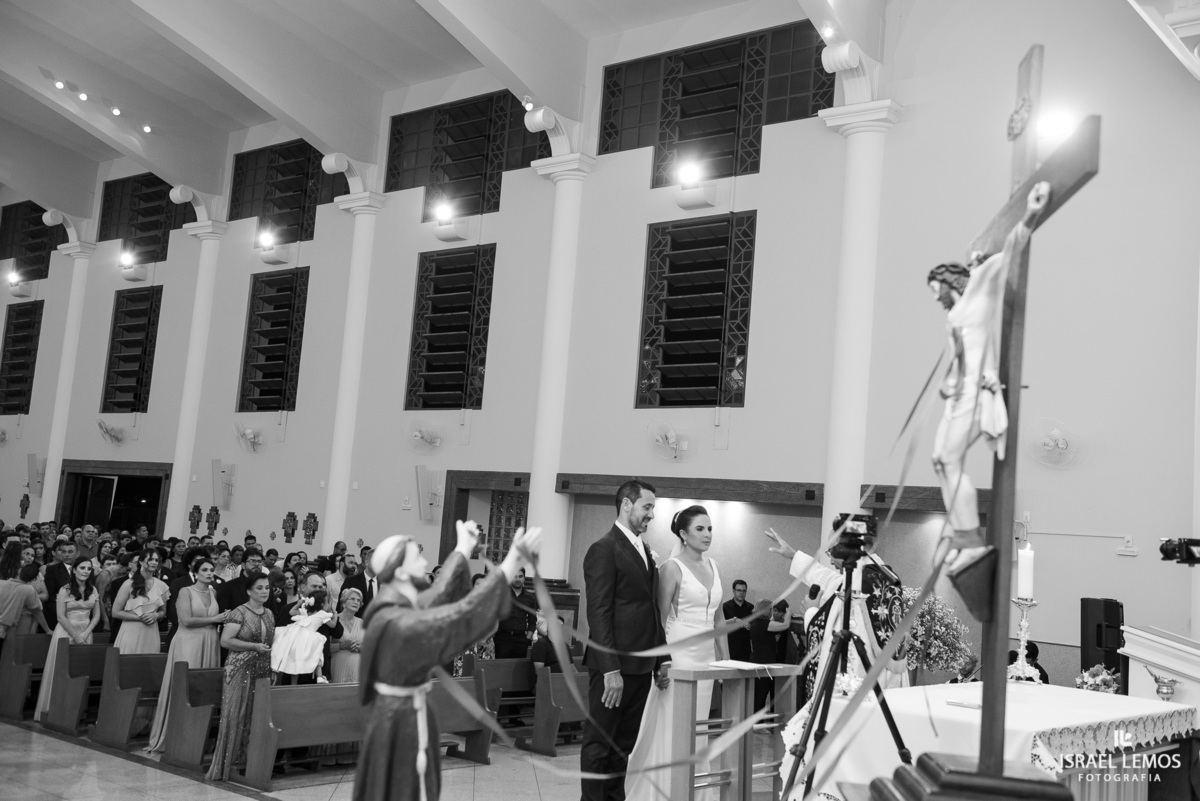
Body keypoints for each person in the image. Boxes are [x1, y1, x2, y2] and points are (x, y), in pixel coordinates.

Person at [352, 520, 541, 801]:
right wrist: (512, 561)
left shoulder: (397, 603)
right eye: (417, 555)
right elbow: (460, 618)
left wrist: (463, 548)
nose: (426, 560)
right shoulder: (397, 619)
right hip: (399, 721)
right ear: (401, 570)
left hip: (402, 711)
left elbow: (440, 594)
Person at [928, 181, 1050, 612]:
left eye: (936, 289)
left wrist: (1030, 214)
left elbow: (1011, 251)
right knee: (941, 460)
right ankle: (964, 537)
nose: (935, 298)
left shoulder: (978, 289)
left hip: (975, 395)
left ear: (952, 281)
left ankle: (969, 540)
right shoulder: (956, 312)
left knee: (948, 459)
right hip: (957, 392)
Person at [625, 504, 725, 801]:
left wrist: (726, 660)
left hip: (707, 654)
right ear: (683, 533)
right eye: (700, 529)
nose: (707, 534)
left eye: (709, 529)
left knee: (699, 727)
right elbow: (659, 617)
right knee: (674, 723)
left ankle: (696, 792)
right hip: (679, 650)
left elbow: (719, 618)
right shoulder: (672, 568)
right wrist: (662, 660)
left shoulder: (715, 566)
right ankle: (665, 791)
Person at [581, 479, 668, 801]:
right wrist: (609, 670)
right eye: (647, 507)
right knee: (599, 743)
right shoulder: (604, 548)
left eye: (653, 509)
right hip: (613, 668)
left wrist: (661, 659)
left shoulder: (643, 549)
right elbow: (598, 611)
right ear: (627, 505)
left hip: (641, 665)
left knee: (622, 747)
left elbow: (650, 608)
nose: (652, 515)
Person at [145, 557, 226, 753]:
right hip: (188, 641)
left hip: (209, 641)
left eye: (211, 570)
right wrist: (215, 618)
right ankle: (174, 734)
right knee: (185, 686)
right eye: (205, 570)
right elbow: (186, 620)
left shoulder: (213, 592)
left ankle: (196, 737)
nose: (209, 573)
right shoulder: (185, 591)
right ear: (195, 572)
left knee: (204, 687)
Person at [207, 574, 275, 781]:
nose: (264, 591)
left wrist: (272, 667)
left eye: (267, 588)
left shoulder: (270, 613)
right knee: (235, 714)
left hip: (261, 669)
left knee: (255, 716)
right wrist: (253, 647)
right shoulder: (239, 612)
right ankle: (225, 765)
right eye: (259, 588)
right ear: (249, 591)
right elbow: (225, 641)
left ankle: (246, 762)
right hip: (238, 669)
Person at [35, 557, 101, 720]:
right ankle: (55, 709)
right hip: (66, 631)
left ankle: (75, 710)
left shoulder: (93, 590)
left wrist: (85, 634)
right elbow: (60, 616)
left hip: (86, 631)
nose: (86, 571)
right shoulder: (65, 589)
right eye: (82, 568)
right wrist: (76, 636)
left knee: (80, 671)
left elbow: (97, 615)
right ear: (74, 570)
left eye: (88, 568)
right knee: (62, 669)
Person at [112, 548, 170, 654]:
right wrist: (140, 618)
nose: (154, 563)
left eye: (157, 560)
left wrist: (155, 616)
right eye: (151, 559)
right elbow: (115, 612)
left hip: (151, 632)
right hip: (131, 631)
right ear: (141, 561)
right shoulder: (128, 584)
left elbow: (163, 612)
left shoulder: (162, 586)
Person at [1, 543, 50, 638]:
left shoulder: (37, 574)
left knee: (26, 645)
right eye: (26, 554)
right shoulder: (10, 572)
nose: (29, 557)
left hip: (33, 616)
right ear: (20, 554)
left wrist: (29, 597)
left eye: (32, 555)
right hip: (14, 616)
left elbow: (45, 596)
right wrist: (26, 597)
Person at [494, 567, 536, 658]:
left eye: (520, 576)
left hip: (521, 640)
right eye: (515, 576)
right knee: (501, 668)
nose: (517, 579)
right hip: (502, 638)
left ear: (524, 578)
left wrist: (527, 639)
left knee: (518, 670)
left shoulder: (530, 598)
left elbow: (532, 622)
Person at [330, 587, 364, 683]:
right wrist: (341, 646)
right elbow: (324, 649)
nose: (356, 602)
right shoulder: (333, 620)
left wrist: (361, 647)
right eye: (352, 599)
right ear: (343, 603)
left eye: (358, 600)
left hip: (357, 669)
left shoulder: (363, 623)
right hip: (338, 667)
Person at [41, 539, 76, 630]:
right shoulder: (52, 570)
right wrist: (63, 615)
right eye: (64, 552)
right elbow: (50, 598)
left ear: (78, 553)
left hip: (80, 617)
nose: (66, 554)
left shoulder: (85, 568)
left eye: (70, 552)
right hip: (59, 617)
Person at [722, 579, 753, 661]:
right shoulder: (725, 606)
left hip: (745, 650)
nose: (741, 593)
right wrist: (733, 621)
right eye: (739, 590)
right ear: (733, 591)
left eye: (744, 591)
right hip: (729, 649)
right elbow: (719, 625)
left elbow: (756, 626)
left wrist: (750, 626)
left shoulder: (751, 607)